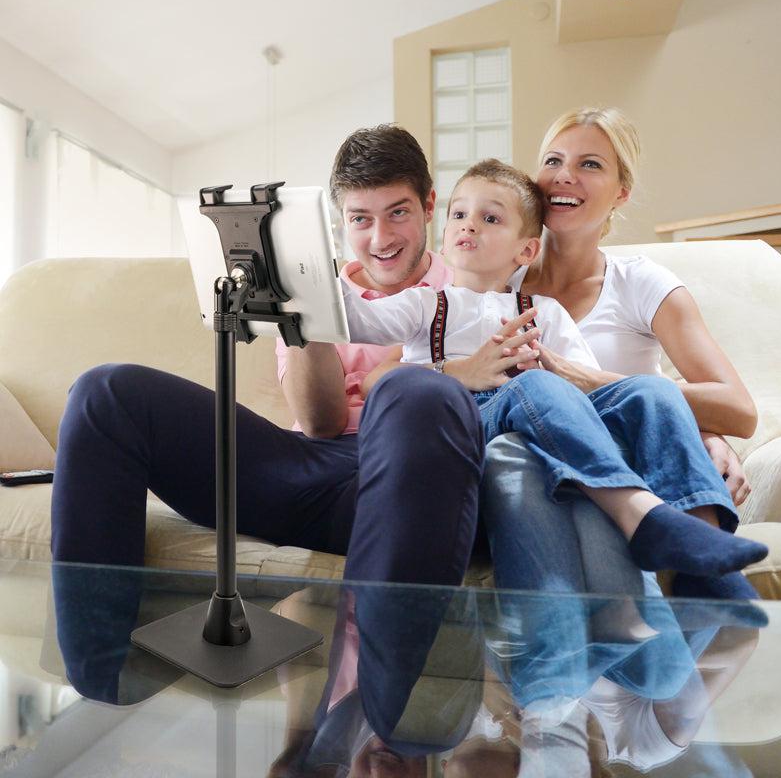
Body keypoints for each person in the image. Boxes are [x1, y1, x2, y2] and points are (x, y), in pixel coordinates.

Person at [50, 124, 484, 590]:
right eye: (360, 219)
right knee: (104, 393)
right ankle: (92, 660)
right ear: (340, 221)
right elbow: (321, 423)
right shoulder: (317, 285)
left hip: (401, 476)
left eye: (398, 213)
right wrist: (307, 305)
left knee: (416, 414)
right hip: (303, 465)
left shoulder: (471, 280)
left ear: (429, 207)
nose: (380, 238)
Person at [345, 159, 766, 580]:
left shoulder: (544, 311)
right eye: (459, 214)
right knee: (535, 385)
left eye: (489, 218)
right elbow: (359, 320)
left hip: (536, 419)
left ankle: (707, 553)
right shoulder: (424, 305)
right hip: (465, 424)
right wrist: (305, 273)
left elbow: (586, 389)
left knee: (652, 391)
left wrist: (690, 422)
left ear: (526, 250)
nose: (468, 225)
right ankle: (640, 512)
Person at [473, 106, 761, 602]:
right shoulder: (495, 275)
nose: (564, 175)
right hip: (527, 461)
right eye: (553, 160)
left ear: (621, 192)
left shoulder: (640, 283)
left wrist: (700, 430)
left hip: (624, 460)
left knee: (649, 396)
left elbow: (740, 409)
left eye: (590, 164)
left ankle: (704, 571)